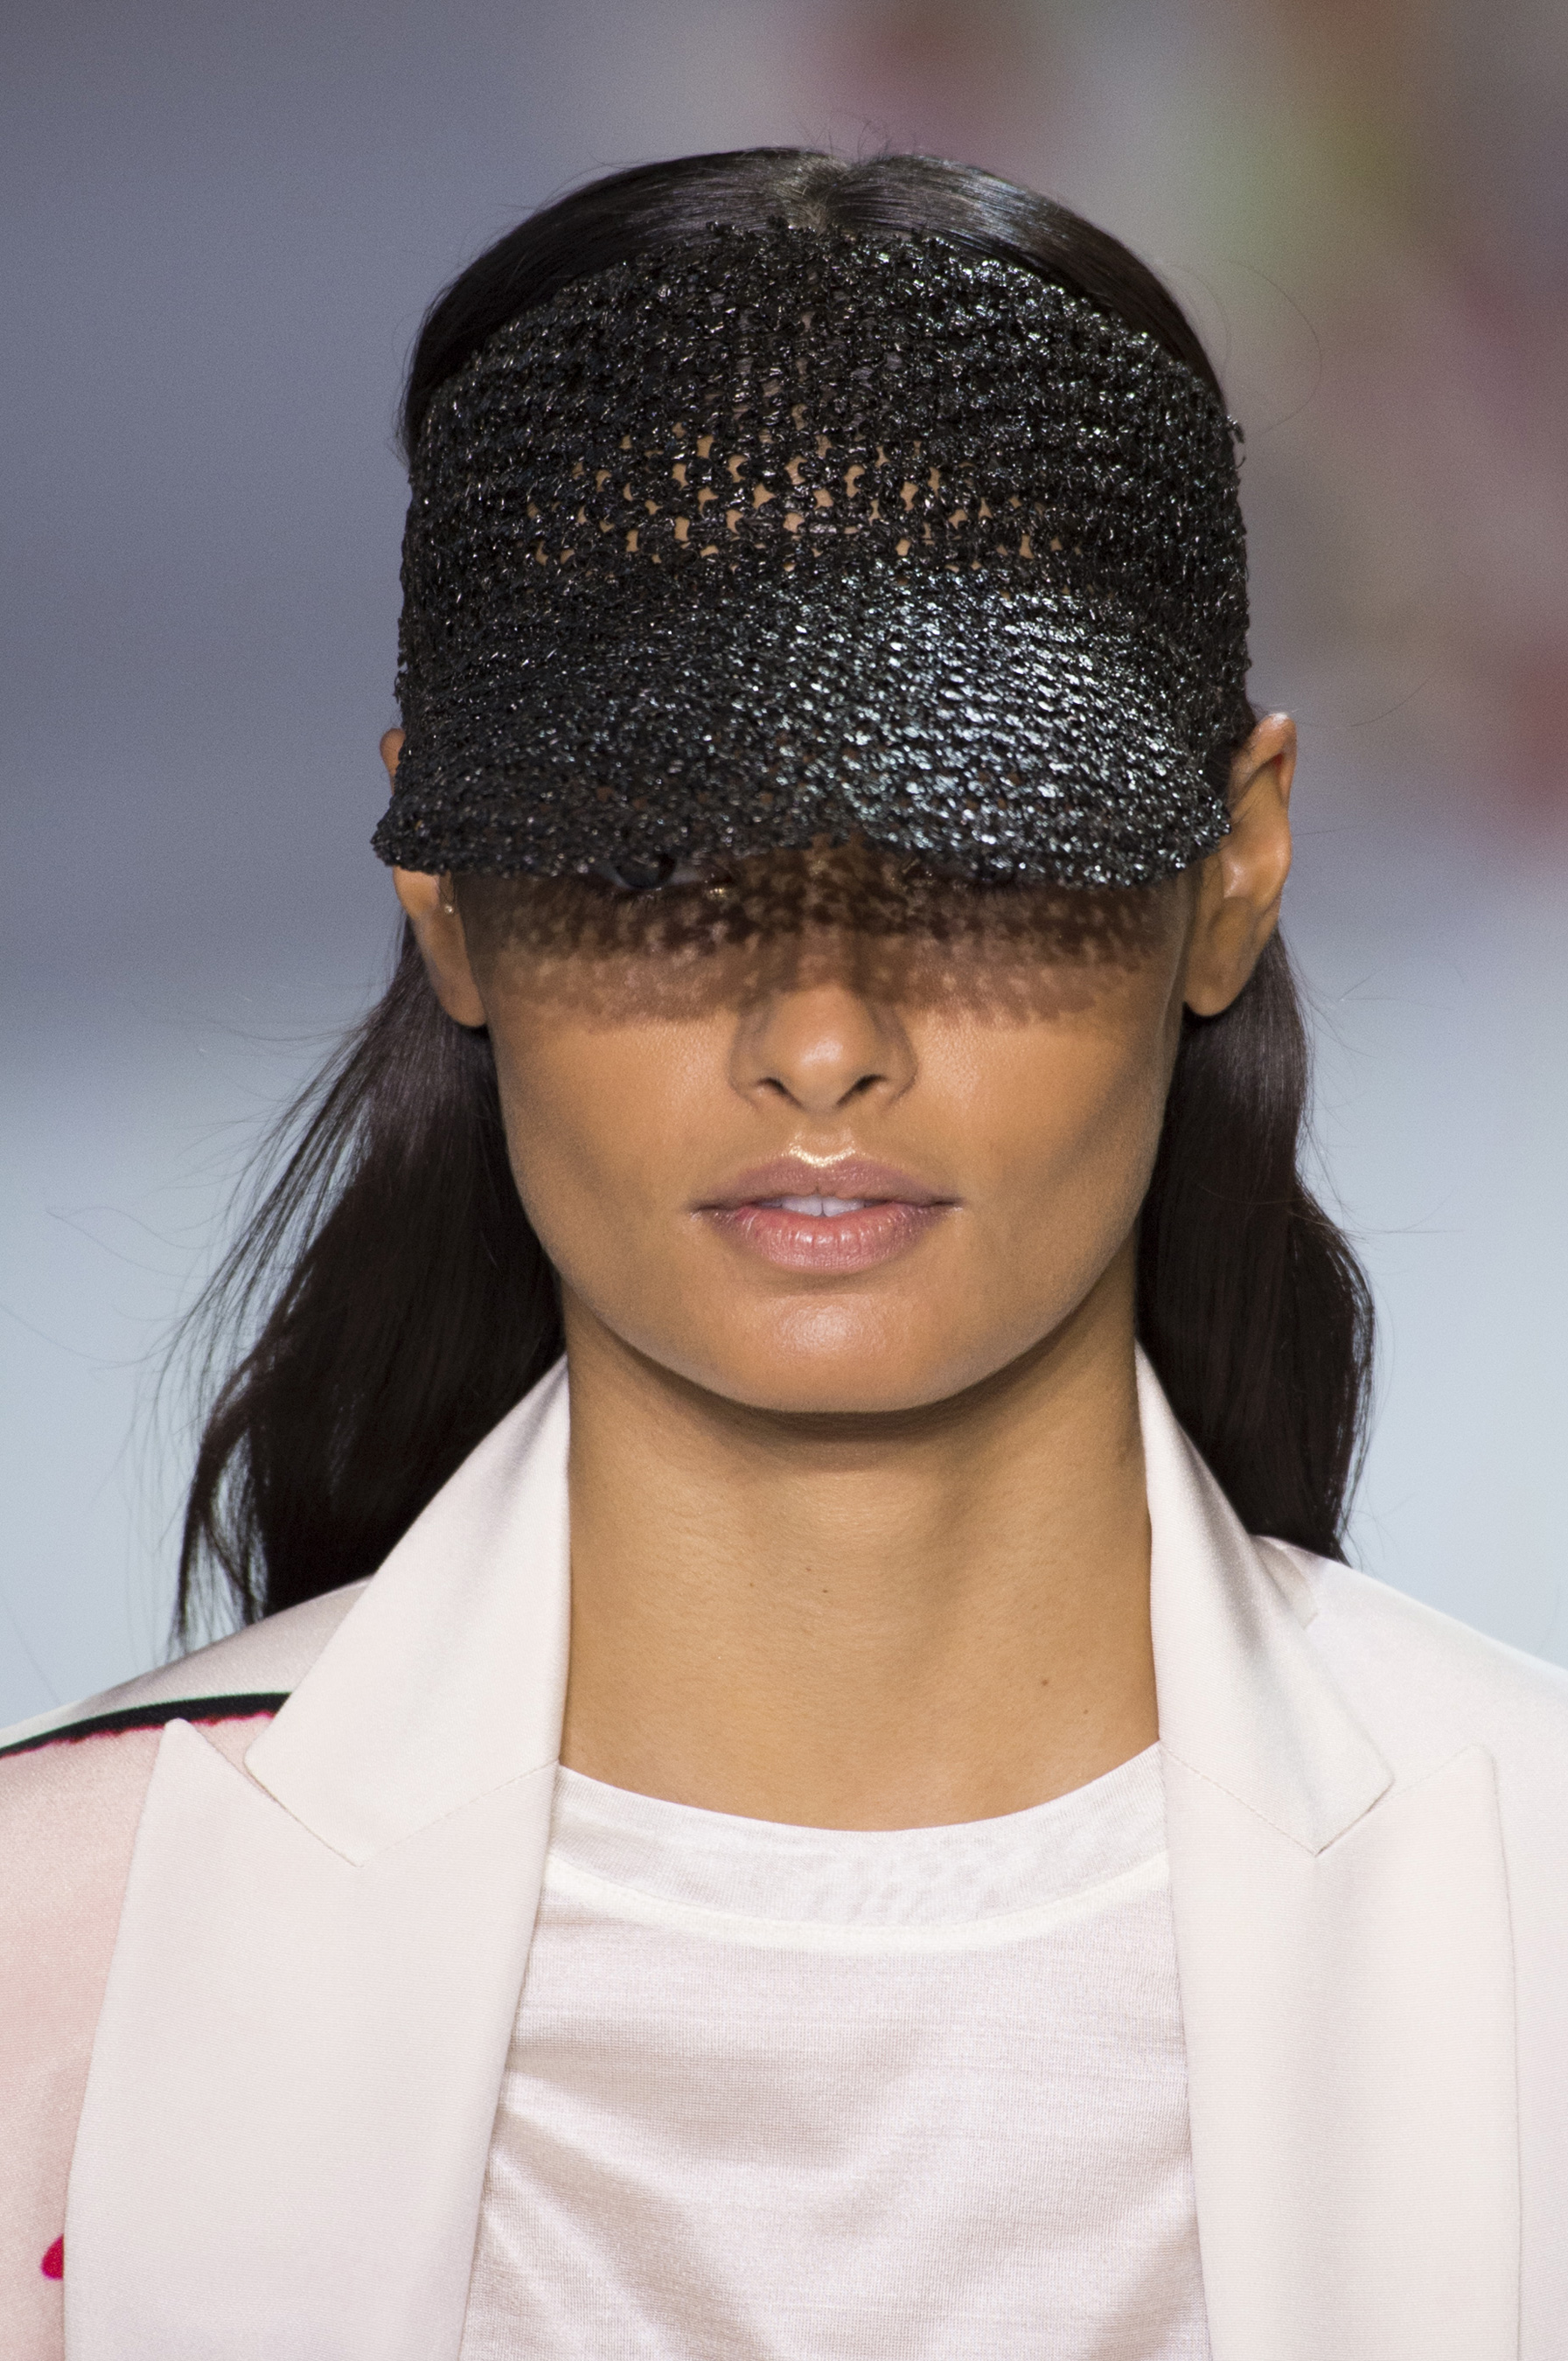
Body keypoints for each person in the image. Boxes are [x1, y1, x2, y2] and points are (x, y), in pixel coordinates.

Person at [2, 147, 1564, 2361]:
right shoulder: (54, 1961)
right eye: (656, 861)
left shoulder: (1539, 1907)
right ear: (443, 893)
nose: (821, 1041)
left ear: (1234, 870)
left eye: (982, 843)